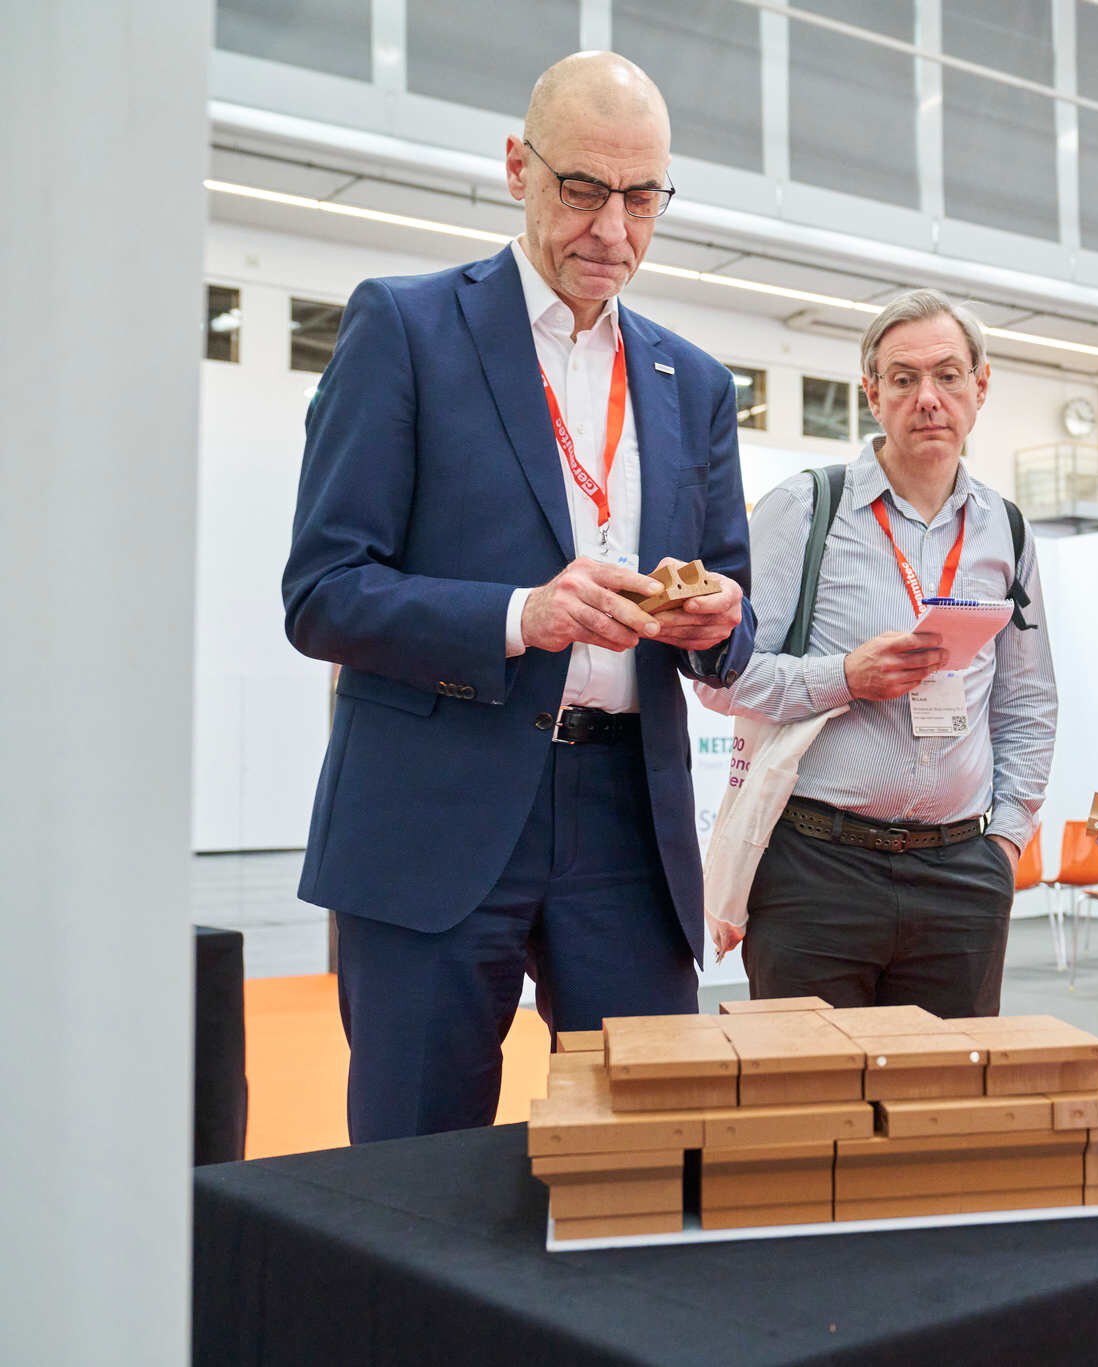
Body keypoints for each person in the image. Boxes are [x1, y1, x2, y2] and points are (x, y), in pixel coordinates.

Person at [281, 52, 754, 1142]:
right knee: (417, 1166)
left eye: (643, 199)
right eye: (583, 189)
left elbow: (732, 616)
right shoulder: (403, 330)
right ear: (516, 169)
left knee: (649, 1155)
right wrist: (515, 616)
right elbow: (322, 591)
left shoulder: (695, 382)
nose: (614, 232)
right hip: (435, 805)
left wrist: (717, 626)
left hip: (625, 823)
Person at [699, 289, 1056, 1018]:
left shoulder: (1006, 530)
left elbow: (1027, 699)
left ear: (980, 387)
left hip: (962, 875)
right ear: (872, 393)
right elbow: (722, 679)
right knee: (808, 1108)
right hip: (816, 869)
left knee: (945, 1109)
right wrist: (845, 677)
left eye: (948, 375)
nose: (928, 398)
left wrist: (1007, 842)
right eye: (903, 378)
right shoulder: (804, 509)